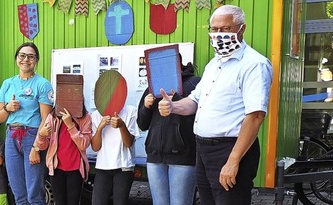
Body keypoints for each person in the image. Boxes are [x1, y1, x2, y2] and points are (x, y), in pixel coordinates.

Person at [157, 5, 273, 205]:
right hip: (203, 149)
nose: (218, 35)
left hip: (230, 149)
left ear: (241, 29)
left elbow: (255, 116)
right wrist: (173, 106)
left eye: (225, 29)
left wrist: (233, 160)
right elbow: (194, 101)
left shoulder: (254, 64)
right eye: (214, 29)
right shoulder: (214, 64)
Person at [0, 42, 53, 205]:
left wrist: (36, 147)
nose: (26, 59)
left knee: (34, 193)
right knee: (18, 191)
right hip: (11, 136)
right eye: (22, 55)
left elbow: (46, 119)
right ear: (16, 59)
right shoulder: (7, 84)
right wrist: (7, 108)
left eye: (31, 56)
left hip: (32, 136)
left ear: (36, 60)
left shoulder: (42, 84)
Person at [137, 59, 200, 205]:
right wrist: (146, 106)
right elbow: (142, 124)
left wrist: (178, 101)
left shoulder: (194, 83)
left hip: (182, 157)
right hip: (155, 157)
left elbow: (201, 116)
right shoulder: (152, 88)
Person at [35, 106, 91, 205]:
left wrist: (70, 125)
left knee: (73, 202)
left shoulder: (85, 117)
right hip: (57, 169)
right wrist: (41, 135)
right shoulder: (53, 117)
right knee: (59, 202)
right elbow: (43, 146)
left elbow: (83, 144)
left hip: (76, 169)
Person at [90, 105, 140, 204]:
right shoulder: (95, 115)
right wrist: (100, 127)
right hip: (103, 167)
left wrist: (122, 125)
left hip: (123, 167)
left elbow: (128, 143)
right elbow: (95, 147)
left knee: (120, 202)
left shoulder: (131, 111)